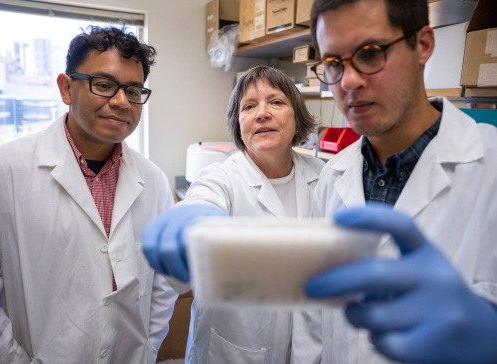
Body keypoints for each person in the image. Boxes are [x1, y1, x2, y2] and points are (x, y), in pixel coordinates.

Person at [305, 0, 497, 363]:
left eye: (370, 53)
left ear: (423, 45)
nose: (348, 81)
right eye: (333, 63)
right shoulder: (333, 176)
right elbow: (313, 326)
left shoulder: (491, 166)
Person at [0, 25, 178, 364]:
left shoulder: (155, 182)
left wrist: (146, 350)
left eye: (133, 90)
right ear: (66, 88)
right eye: (104, 85)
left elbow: (161, 290)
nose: (121, 102)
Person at [142, 65, 325, 364]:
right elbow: (201, 207)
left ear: (298, 117)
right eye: (249, 106)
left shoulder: (325, 178)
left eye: (276, 102)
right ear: (239, 123)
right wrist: (191, 229)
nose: (261, 113)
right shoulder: (220, 179)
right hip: (232, 352)